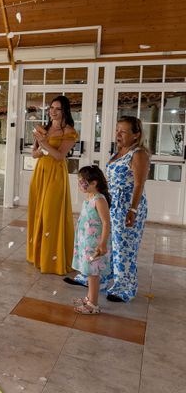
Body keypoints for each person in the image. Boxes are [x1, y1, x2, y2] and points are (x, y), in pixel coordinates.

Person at [65, 116, 149, 303]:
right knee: (108, 244)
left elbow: (139, 184)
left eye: (123, 131)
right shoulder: (119, 151)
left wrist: (132, 210)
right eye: (117, 129)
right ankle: (98, 279)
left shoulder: (138, 154)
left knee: (125, 248)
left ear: (136, 135)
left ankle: (124, 288)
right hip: (112, 204)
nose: (118, 134)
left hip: (128, 206)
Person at [27, 95, 78, 275]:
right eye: (51, 108)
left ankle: (53, 260)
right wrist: (40, 149)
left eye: (57, 109)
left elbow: (59, 156)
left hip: (56, 174)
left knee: (50, 214)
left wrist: (43, 143)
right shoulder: (44, 129)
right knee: (38, 211)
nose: (53, 112)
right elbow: (33, 154)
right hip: (41, 172)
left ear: (65, 111)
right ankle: (38, 256)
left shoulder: (69, 132)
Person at [71, 165, 111, 314]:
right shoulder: (89, 197)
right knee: (88, 271)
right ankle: (89, 298)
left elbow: (106, 223)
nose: (80, 184)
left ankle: (93, 304)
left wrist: (103, 243)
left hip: (95, 244)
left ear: (94, 183)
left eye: (82, 181)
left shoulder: (99, 200)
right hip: (86, 242)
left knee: (93, 273)